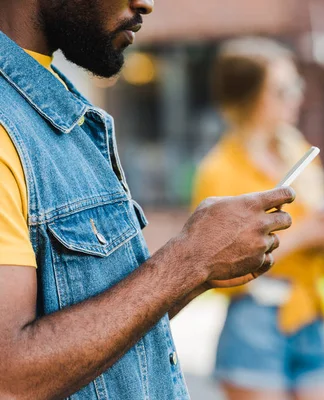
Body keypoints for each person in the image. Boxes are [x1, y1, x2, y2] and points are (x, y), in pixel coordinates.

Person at [0, 1, 296, 399]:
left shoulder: (52, 101)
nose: (147, 3)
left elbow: (84, 316)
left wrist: (199, 270)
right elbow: (10, 377)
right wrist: (189, 260)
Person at [191, 37, 324, 400]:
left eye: (297, 86)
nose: (297, 96)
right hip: (254, 322)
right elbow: (219, 267)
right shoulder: (218, 172)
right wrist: (305, 235)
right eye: (283, 90)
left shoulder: (296, 153)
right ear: (250, 98)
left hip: (310, 313)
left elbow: (319, 228)